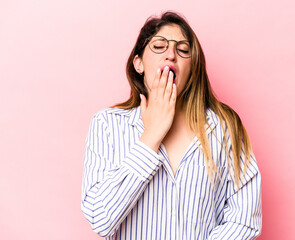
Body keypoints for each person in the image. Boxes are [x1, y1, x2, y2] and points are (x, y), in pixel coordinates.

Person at [81, 11, 262, 239]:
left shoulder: (224, 128)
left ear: (192, 68)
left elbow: (245, 222)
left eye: (183, 50)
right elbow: (100, 218)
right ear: (138, 63)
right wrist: (151, 136)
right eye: (159, 46)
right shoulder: (106, 125)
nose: (171, 55)